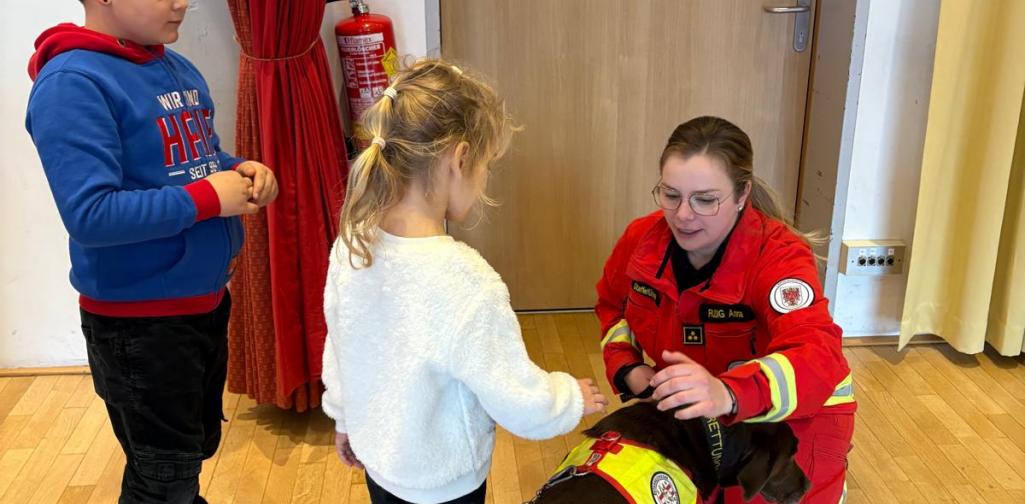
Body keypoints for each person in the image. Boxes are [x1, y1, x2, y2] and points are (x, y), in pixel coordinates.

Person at [321, 60, 607, 504]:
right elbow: (513, 394)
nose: (485, 178)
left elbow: (339, 344)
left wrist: (343, 417)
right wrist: (568, 398)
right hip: (444, 483)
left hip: (379, 458)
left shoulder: (353, 243)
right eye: (487, 165)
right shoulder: (466, 283)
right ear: (459, 159)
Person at [25, 1, 278, 502]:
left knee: (186, 455)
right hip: (140, 326)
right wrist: (210, 197)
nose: (180, 1)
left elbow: (192, 164)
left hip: (202, 305)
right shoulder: (72, 83)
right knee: (163, 475)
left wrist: (241, 168)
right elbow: (92, 215)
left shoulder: (175, 67)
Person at [596, 116, 855, 503]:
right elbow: (612, 307)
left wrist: (728, 393)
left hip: (793, 422)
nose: (683, 215)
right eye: (671, 195)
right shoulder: (641, 241)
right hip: (703, 413)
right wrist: (628, 367)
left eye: (704, 199)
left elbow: (817, 354)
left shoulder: (779, 256)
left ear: (741, 194)